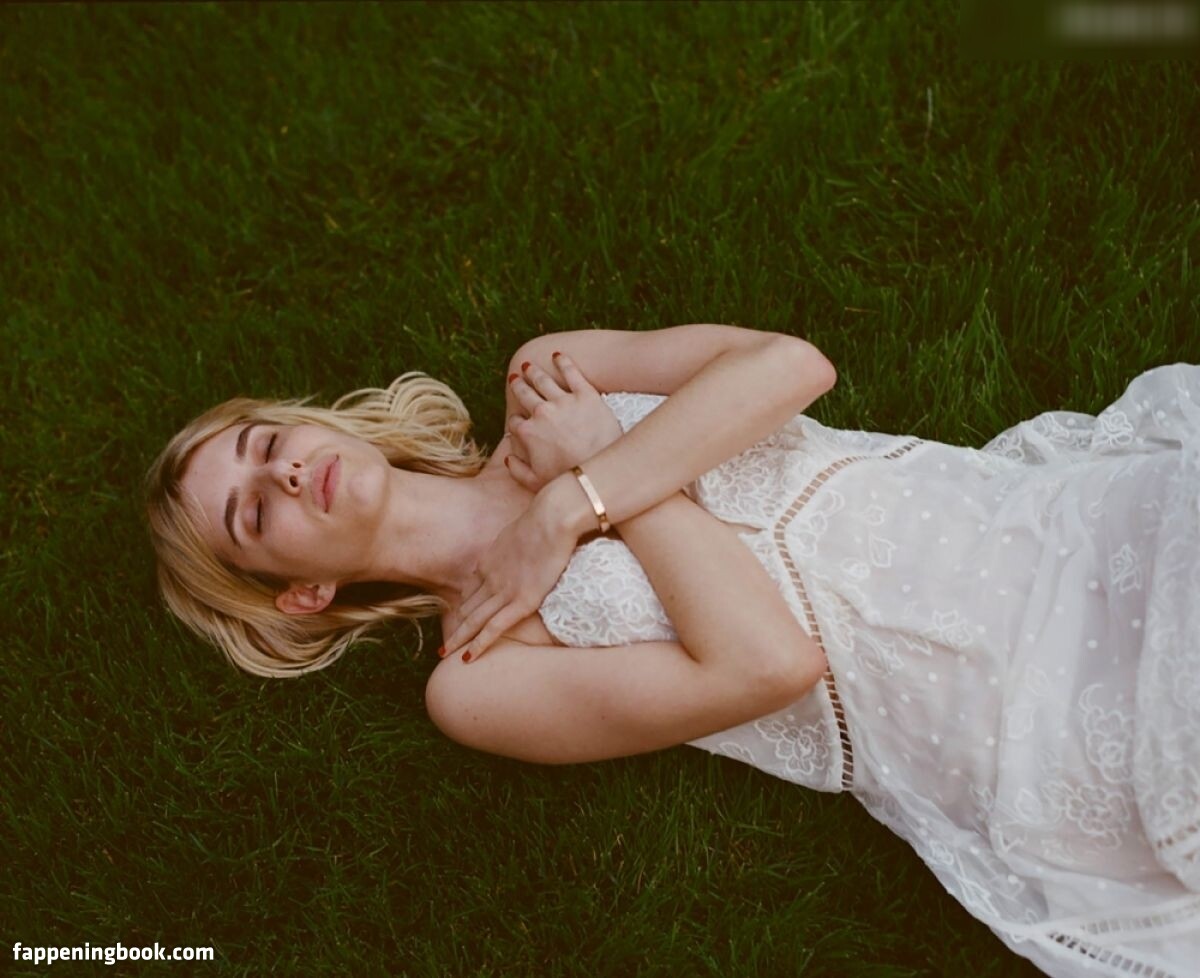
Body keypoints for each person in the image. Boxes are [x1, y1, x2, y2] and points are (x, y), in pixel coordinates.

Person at [145, 324, 1200, 977]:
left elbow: (790, 366)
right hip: (973, 703)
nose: (286, 474)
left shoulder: (541, 377)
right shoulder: (478, 678)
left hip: (1002, 531)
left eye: (267, 445)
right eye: (254, 512)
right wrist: (601, 479)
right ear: (305, 594)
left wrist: (570, 502)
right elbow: (768, 666)